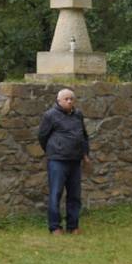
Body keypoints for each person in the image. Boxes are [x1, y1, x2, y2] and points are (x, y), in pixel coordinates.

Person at [38, 88, 90, 235]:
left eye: (71, 99)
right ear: (59, 100)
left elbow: (84, 136)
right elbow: (42, 136)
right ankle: (55, 227)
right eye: (66, 99)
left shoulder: (78, 115)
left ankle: (73, 226)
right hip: (58, 161)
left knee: (75, 195)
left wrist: (85, 154)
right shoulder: (50, 115)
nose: (69, 101)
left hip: (75, 160)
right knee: (56, 194)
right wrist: (53, 150)